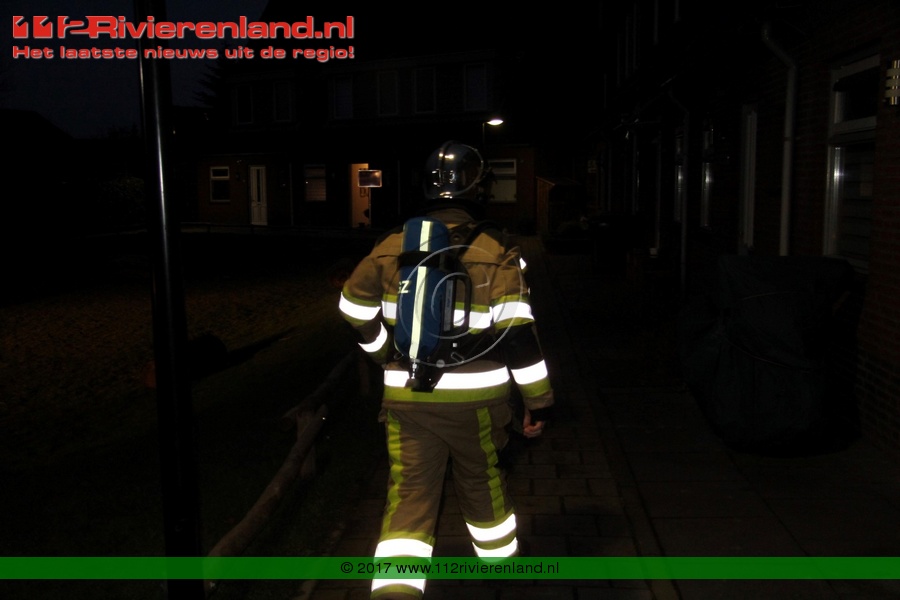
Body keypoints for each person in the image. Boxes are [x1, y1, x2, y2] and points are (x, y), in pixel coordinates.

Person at [338, 140, 554, 599]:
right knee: (482, 482)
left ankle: (395, 591)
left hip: (407, 397)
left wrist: (383, 352)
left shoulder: (391, 245)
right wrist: (538, 402)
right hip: (477, 404)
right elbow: (518, 335)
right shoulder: (497, 249)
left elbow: (352, 307)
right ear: (480, 188)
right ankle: (501, 575)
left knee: (410, 495)